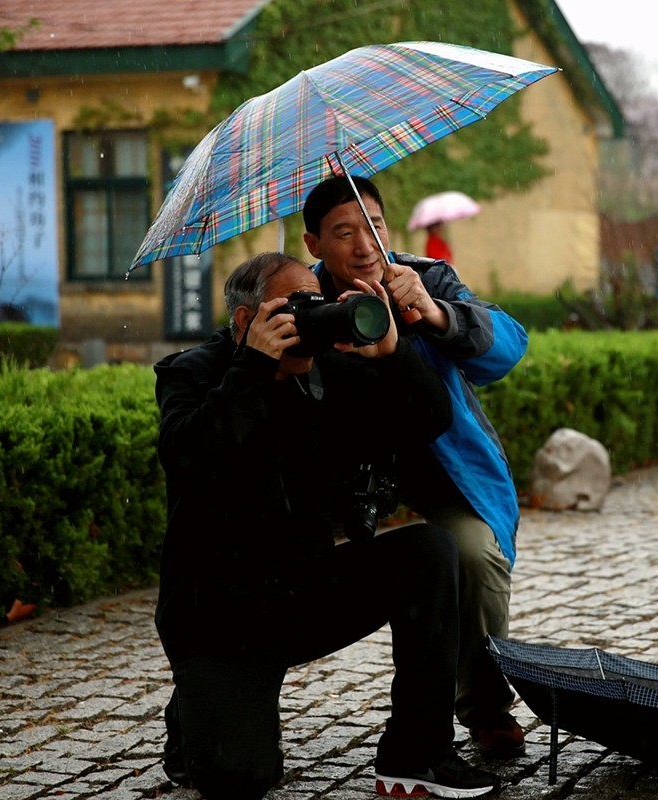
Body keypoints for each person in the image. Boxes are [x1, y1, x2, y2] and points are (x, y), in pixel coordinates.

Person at [153, 252, 499, 799]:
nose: (308, 319)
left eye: (313, 304)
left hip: (303, 589)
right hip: (221, 615)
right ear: (247, 322)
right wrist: (253, 367)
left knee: (429, 550)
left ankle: (417, 755)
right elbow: (191, 457)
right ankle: (195, 717)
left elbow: (427, 419)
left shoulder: (328, 372)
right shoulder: (193, 371)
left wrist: (392, 354)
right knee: (240, 779)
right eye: (293, 309)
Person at [302, 176, 528, 756]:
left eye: (373, 225)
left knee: (474, 554)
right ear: (313, 243)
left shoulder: (425, 279)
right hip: (348, 475)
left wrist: (433, 314)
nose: (363, 243)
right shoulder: (306, 301)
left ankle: (485, 707)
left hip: (442, 466)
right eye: (343, 231)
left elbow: (508, 349)